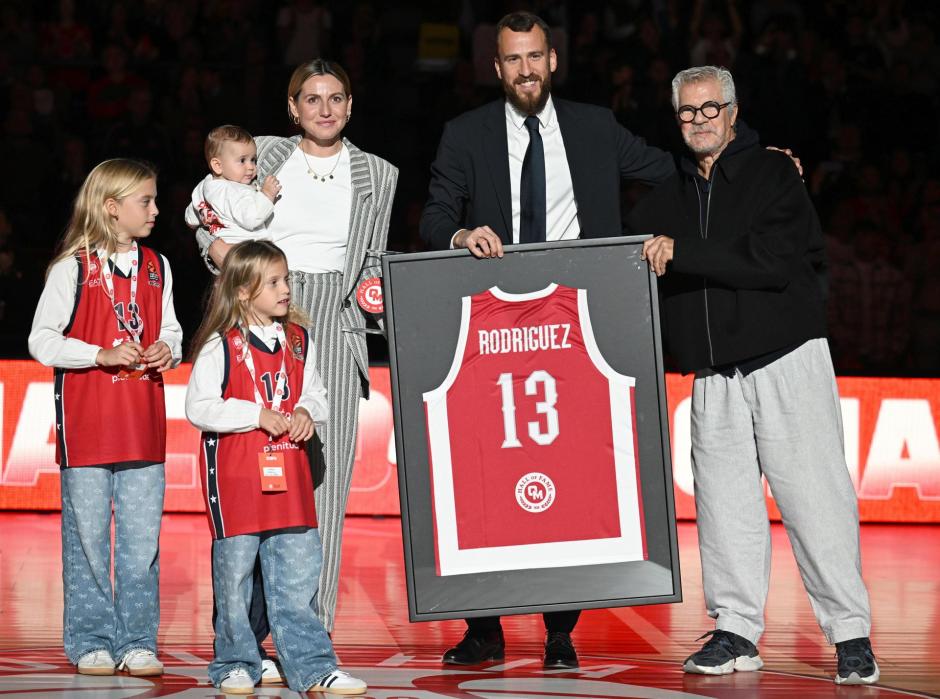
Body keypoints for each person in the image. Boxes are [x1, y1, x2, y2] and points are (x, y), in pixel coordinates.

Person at [418, 10, 676, 669]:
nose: (526, 69)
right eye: (513, 59)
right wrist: (458, 236)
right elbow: (435, 216)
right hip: (493, 330)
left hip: (577, 327)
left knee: (575, 472)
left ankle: (561, 630)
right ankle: (485, 629)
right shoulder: (464, 133)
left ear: (553, 59)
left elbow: (671, 171)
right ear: (496, 66)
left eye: (535, 56)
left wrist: (633, 240)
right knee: (485, 474)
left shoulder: (594, 126)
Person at [630, 65, 878, 686]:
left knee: (816, 499)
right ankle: (736, 629)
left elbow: (772, 263)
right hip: (714, 375)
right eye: (687, 112)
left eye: (710, 109)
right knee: (724, 508)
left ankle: (850, 633)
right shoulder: (670, 192)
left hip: (786, 356)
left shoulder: (774, 174)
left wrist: (680, 251)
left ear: (733, 112)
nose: (699, 121)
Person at [190, 59, 398, 645]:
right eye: (311, 99)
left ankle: (308, 635)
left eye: (335, 98)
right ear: (292, 107)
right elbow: (202, 211)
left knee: (324, 491)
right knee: (252, 479)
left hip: (334, 316)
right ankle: (246, 633)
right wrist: (222, 252)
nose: (324, 109)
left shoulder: (378, 174)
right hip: (263, 302)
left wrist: (374, 298)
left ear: (351, 106)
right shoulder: (264, 155)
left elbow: (375, 259)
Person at [185, 240, 366, 696]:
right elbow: (198, 406)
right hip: (238, 481)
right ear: (244, 292)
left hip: (291, 479)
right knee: (236, 581)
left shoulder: (300, 339)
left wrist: (306, 411)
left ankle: (312, 665)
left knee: (298, 578)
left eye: (286, 279)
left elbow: (316, 394)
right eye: (274, 282)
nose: (287, 289)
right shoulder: (220, 345)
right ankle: (235, 661)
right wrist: (255, 414)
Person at [28, 158, 183, 678]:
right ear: (111, 208)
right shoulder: (71, 267)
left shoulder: (158, 266)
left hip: (143, 424)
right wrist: (99, 354)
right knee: (87, 540)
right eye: (147, 201)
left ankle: (138, 641)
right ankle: (91, 640)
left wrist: (168, 349)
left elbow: (173, 332)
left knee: (141, 545)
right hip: (89, 424)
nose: (157, 210)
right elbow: (41, 340)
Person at [184, 125, 282, 244]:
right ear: (218, 165)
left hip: (228, 251)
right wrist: (267, 195)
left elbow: (190, 218)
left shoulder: (203, 187)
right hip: (248, 249)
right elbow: (252, 218)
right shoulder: (235, 192)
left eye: (253, 160)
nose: (251, 167)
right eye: (242, 160)